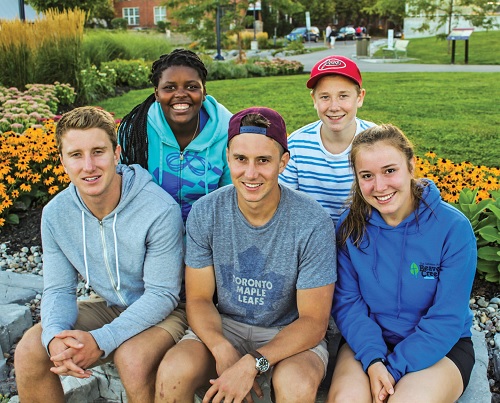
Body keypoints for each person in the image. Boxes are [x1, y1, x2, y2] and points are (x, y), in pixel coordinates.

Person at [155, 107, 337, 403]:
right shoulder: (207, 211)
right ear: (228, 157)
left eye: (263, 160)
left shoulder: (312, 221)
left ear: (283, 162)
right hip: (225, 324)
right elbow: (199, 299)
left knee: (297, 383)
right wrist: (221, 349)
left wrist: (252, 363)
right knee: (173, 371)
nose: (250, 173)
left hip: (289, 331)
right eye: (241, 159)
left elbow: (313, 321)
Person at [14, 106, 187, 403]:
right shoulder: (56, 214)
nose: (89, 166)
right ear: (62, 161)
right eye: (76, 155)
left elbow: (162, 294)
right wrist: (55, 336)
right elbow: (58, 289)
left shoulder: (157, 209)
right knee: (31, 349)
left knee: (132, 360)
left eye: (98, 152)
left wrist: (102, 340)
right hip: (110, 305)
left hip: (169, 310)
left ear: (117, 154)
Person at [327, 124, 476, 403]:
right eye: (367, 176)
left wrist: (392, 370)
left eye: (390, 171)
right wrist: (373, 361)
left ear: (411, 166)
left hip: (441, 347)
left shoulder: (453, 228)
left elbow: (447, 317)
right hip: (368, 344)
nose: (379, 186)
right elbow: (348, 303)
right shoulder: (350, 228)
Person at [118, 49, 233, 223]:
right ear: (157, 93)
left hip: (211, 234)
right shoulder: (134, 131)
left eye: (192, 87)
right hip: (152, 235)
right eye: (169, 87)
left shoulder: (227, 130)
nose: (180, 94)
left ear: (204, 92)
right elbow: (124, 193)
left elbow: (233, 196)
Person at [279, 55, 375, 225]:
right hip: (312, 238)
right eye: (324, 97)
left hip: (367, 235)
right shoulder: (296, 146)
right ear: (314, 99)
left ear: (360, 97)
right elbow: (284, 207)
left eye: (343, 96)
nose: (334, 107)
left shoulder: (378, 141)